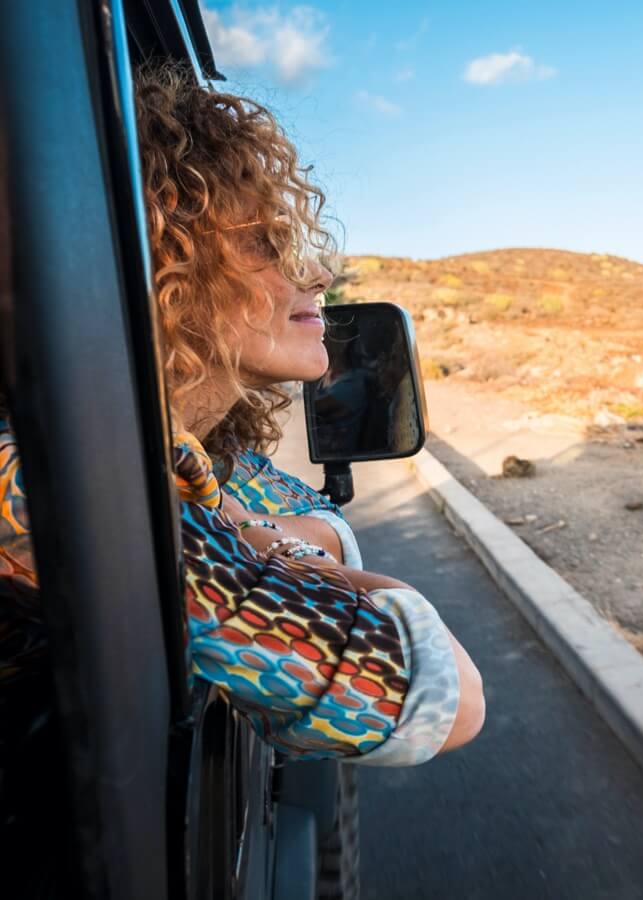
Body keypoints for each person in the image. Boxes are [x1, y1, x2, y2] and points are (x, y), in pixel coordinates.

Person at [0, 62, 484, 767]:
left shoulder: (190, 453)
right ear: (156, 265)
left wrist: (255, 535)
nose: (317, 273)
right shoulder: (40, 485)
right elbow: (440, 696)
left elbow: (322, 522)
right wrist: (267, 542)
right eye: (265, 242)